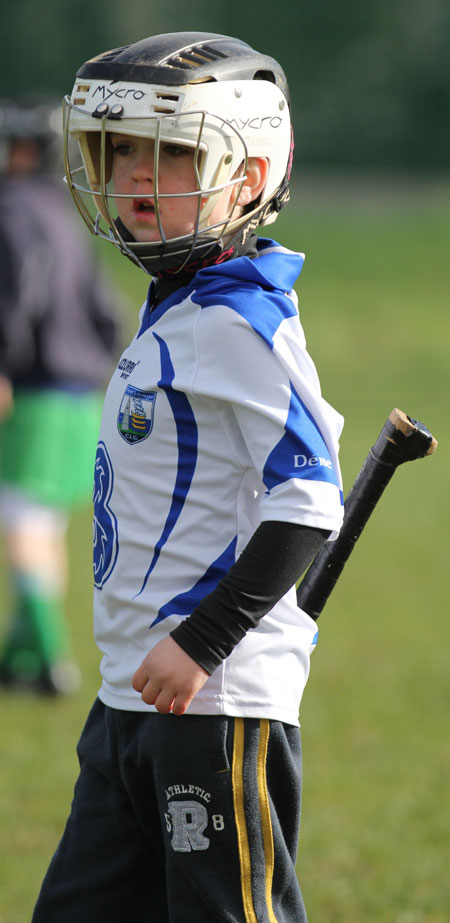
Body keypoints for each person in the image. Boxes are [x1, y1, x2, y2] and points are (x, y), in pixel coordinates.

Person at [32, 32, 344, 921]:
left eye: (170, 153)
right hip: (127, 694)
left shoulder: (240, 322)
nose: (134, 174)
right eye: (123, 148)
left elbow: (308, 502)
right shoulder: (178, 304)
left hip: (213, 707)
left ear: (245, 177)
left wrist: (203, 642)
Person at [0, 97, 122, 695]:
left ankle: (49, 656)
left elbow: (17, 295)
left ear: (22, 148)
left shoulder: (12, 208)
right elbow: (108, 313)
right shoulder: (63, 212)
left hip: (33, 390)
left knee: (22, 518)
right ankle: (19, 654)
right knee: (41, 523)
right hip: (77, 392)